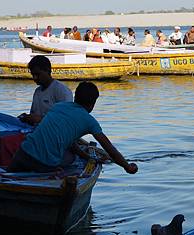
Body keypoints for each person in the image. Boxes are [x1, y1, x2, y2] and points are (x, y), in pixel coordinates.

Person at [8, 81, 138, 175]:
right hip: (44, 163)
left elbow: (65, 139)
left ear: (75, 97)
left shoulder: (59, 106)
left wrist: (86, 156)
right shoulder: (90, 121)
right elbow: (110, 149)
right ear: (93, 104)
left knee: (8, 175)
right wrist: (127, 167)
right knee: (67, 162)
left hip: (23, 152)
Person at [18, 55, 73, 126]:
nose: (35, 78)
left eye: (37, 74)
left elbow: (67, 119)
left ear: (47, 70)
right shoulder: (37, 91)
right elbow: (34, 115)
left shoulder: (61, 90)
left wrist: (39, 119)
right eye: (33, 74)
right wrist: (27, 117)